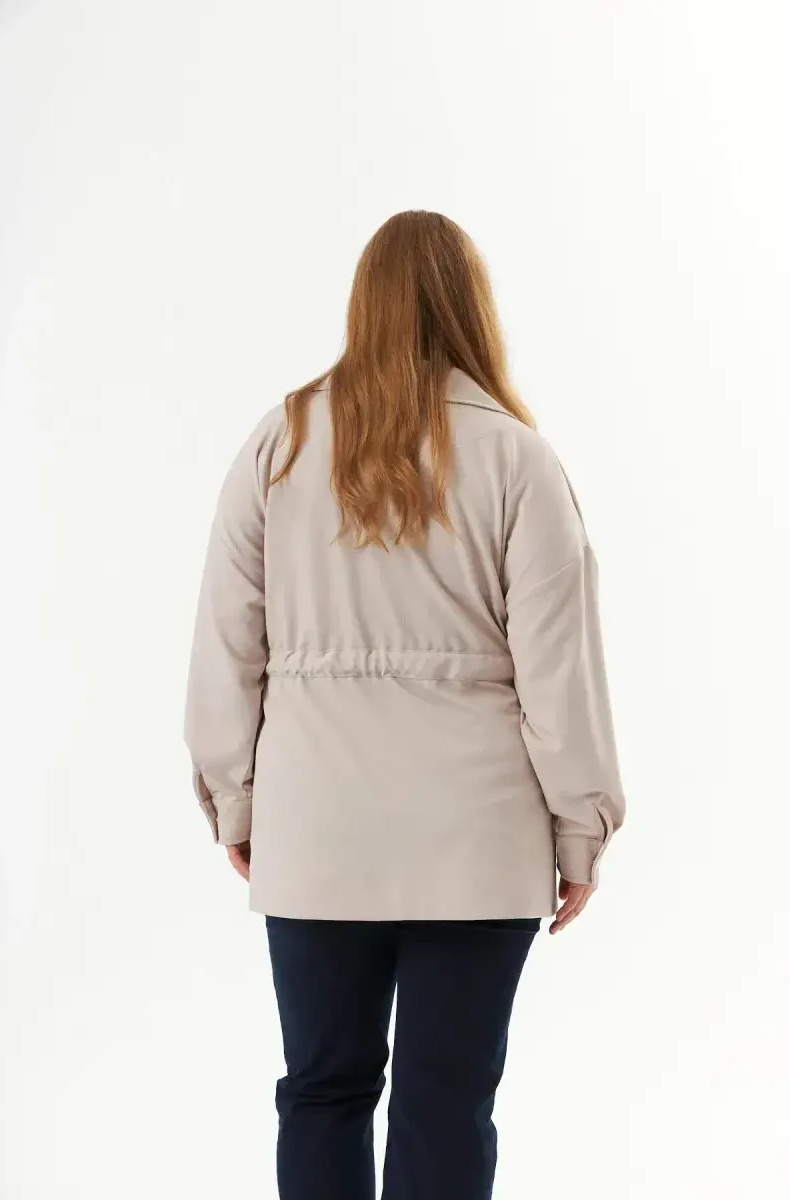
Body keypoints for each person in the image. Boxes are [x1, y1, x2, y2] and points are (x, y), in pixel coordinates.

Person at [184, 210, 625, 1200]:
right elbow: (560, 670)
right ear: (471, 306)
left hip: (318, 824)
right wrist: (581, 828)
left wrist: (235, 800)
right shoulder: (517, 457)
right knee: (446, 1104)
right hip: (476, 836)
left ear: (364, 302)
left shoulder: (282, 441)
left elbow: (226, 640)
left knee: (322, 1090)